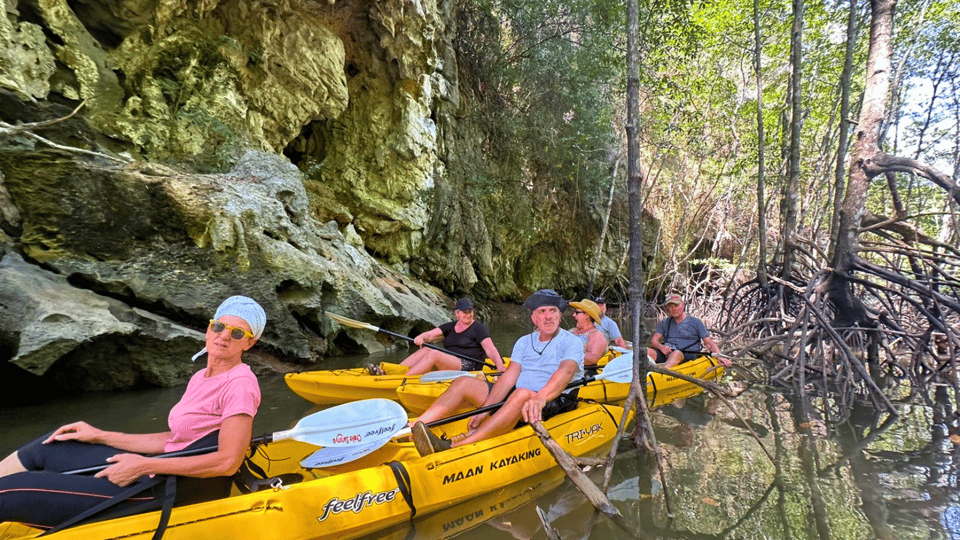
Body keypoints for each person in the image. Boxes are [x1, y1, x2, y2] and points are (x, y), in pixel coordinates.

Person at [0, 296, 265, 530]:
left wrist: (146, 464)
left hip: (168, 488)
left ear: (249, 343)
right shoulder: (201, 377)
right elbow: (174, 440)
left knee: (6, 494)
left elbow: (228, 461)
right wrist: (100, 436)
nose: (225, 335)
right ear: (209, 328)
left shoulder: (239, 384)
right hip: (161, 470)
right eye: (219, 326)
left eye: (238, 333)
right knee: (50, 447)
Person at [410, 289, 584, 455]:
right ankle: (416, 426)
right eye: (542, 311)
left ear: (560, 316)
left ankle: (454, 446)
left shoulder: (571, 342)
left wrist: (540, 398)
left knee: (521, 393)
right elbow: (509, 378)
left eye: (553, 311)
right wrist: (485, 410)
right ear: (534, 318)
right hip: (519, 393)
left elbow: (565, 372)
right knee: (464, 382)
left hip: (552, 399)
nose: (548, 316)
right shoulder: (524, 342)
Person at [388, 297, 505, 377]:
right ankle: (395, 371)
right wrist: (421, 337)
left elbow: (490, 349)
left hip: (469, 365)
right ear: (457, 313)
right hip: (450, 362)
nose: (468, 315)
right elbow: (430, 335)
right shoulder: (449, 326)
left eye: (470, 311)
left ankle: (403, 378)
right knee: (426, 349)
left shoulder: (478, 328)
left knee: (434, 353)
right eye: (465, 312)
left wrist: (500, 367)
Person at [647, 294, 727, 369]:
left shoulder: (696, 322)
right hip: (668, 353)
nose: (674, 309)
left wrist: (719, 357)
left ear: (683, 305)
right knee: (646, 351)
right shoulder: (665, 322)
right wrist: (661, 347)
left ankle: (661, 374)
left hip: (688, 355)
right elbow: (654, 340)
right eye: (670, 306)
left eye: (676, 305)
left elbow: (709, 343)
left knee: (676, 353)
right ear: (667, 308)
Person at [568, 299, 609, 371]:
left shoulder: (597, 335)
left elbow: (591, 359)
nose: (574, 315)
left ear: (586, 315)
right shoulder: (572, 331)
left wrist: (563, 354)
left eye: (577, 313)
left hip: (583, 375)